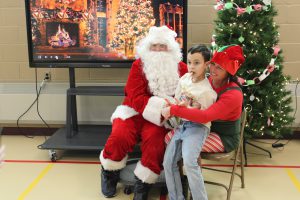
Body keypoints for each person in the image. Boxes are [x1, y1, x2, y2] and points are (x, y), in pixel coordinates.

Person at [99, 26, 188, 199]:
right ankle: (109, 172)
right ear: (147, 48)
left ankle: (144, 183)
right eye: (154, 46)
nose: (158, 50)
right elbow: (135, 95)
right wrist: (161, 107)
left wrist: (168, 111)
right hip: (133, 111)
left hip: (163, 117)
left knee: (155, 142)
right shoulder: (138, 66)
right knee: (120, 136)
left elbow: (184, 95)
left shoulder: (182, 68)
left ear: (170, 48)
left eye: (162, 46)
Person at [162, 44, 245, 200]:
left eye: (219, 67)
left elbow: (205, 116)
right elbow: (192, 101)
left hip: (222, 135)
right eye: (213, 64)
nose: (213, 70)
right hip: (197, 124)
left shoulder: (233, 93)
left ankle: (196, 193)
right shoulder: (207, 80)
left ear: (229, 71)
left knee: (189, 157)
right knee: (172, 157)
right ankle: (181, 192)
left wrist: (174, 110)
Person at [162, 45, 217, 200]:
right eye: (189, 62)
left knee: (190, 162)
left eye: (197, 63)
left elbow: (205, 116)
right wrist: (173, 106)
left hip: (198, 127)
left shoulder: (207, 90)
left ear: (207, 64)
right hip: (181, 126)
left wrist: (188, 108)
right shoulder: (184, 79)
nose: (191, 66)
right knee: (168, 163)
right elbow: (177, 101)